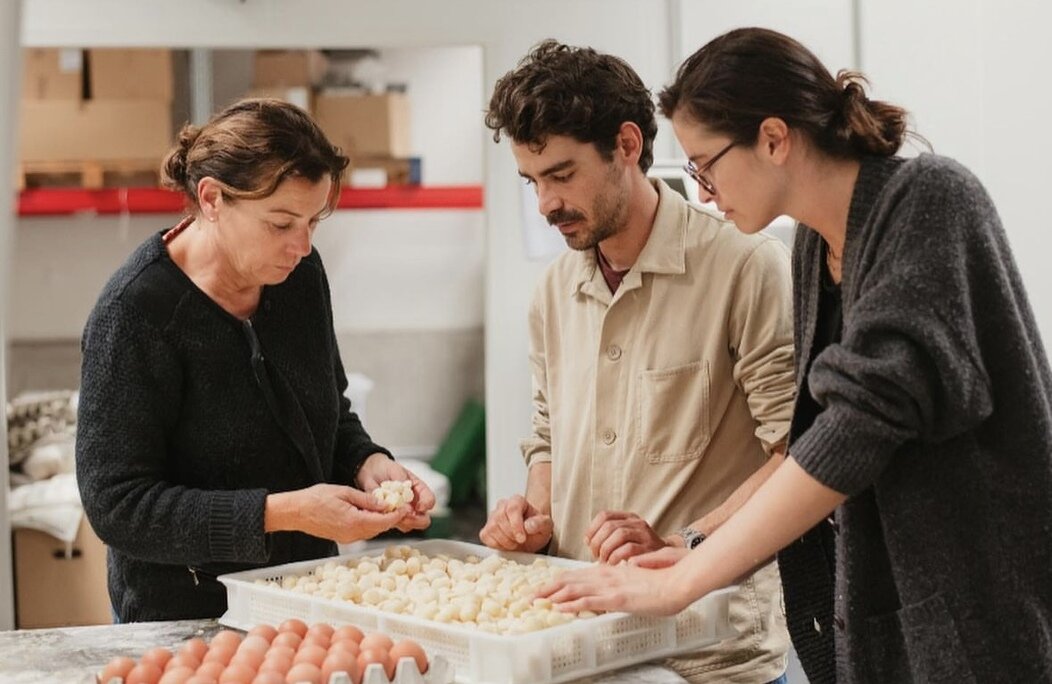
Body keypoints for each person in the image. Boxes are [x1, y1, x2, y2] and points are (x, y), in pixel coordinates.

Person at [539, 27, 1052, 684]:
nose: (701, 191)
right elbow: (808, 440)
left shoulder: (930, 199)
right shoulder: (814, 247)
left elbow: (858, 427)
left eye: (706, 164)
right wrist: (694, 544)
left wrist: (687, 582)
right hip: (884, 621)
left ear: (774, 139)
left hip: (973, 620)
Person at [480, 40, 796, 684]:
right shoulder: (552, 293)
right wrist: (535, 516)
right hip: (578, 642)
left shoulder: (744, 265)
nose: (545, 204)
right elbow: (547, 435)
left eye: (562, 175)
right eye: (532, 181)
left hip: (711, 652)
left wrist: (688, 543)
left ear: (627, 144)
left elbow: (796, 453)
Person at [76, 98, 435, 623]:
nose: (302, 245)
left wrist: (367, 465)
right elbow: (118, 506)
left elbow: (325, 412)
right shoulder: (136, 315)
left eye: (314, 221)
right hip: (185, 614)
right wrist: (283, 512)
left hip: (307, 596)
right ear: (213, 197)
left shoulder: (300, 280)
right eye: (281, 223)